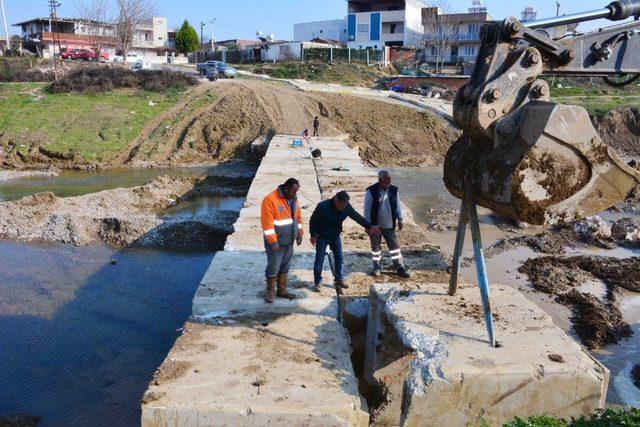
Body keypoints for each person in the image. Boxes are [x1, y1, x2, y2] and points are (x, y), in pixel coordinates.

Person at [310, 191, 380, 293]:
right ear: (335, 200)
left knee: (339, 259)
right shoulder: (323, 206)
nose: (342, 208)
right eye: (341, 206)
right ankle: (318, 282)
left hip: (335, 236)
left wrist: (369, 226)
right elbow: (313, 221)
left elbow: (357, 217)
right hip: (322, 236)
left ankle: (339, 279)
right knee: (319, 260)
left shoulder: (347, 207)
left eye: (344, 206)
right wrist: (313, 235)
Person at [261, 178, 304, 303]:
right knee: (274, 266)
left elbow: (298, 218)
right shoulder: (270, 200)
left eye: (296, 192)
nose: (295, 194)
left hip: (289, 240)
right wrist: (273, 241)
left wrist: (299, 233)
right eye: (293, 192)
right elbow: (267, 224)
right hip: (276, 243)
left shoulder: (294, 199)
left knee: (285, 266)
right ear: (286, 189)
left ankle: (282, 290)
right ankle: (270, 291)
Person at [364, 170, 411, 278]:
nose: (389, 181)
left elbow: (398, 206)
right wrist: (367, 226)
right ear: (380, 180)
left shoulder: (393, 190)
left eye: (390, 179)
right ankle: (377, 268)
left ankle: (400, 268)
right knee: (376, 248)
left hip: (389, 224)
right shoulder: (371, 191)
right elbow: (367, 210)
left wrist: (400, 219)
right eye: (387, 180)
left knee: (395, 247)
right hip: (375, 226)